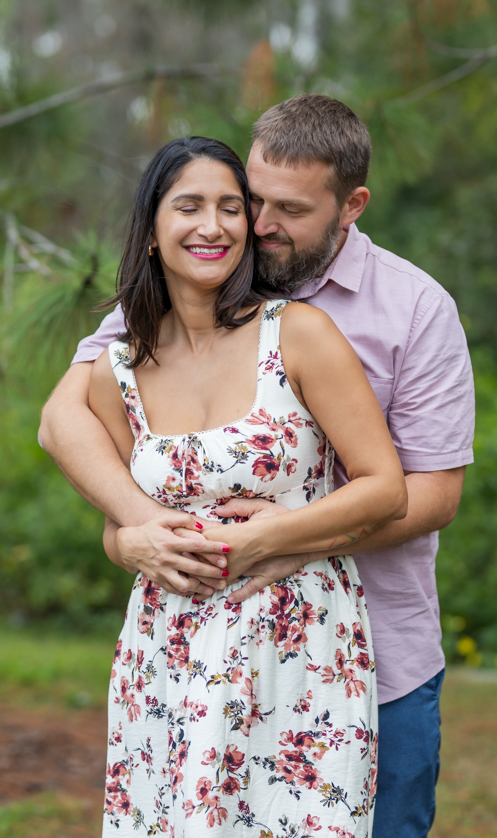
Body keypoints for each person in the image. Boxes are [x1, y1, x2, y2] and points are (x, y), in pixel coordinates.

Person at [40, 95, 475, 838]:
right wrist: (140, 531)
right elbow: (63, 417)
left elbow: (429, 496)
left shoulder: (411, 309)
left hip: (371, 656)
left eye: (290, 209)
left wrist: (285, 539)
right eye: (253, 199)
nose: (258, 224)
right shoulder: (186, 289)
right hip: (188, 662)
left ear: (351, 206)